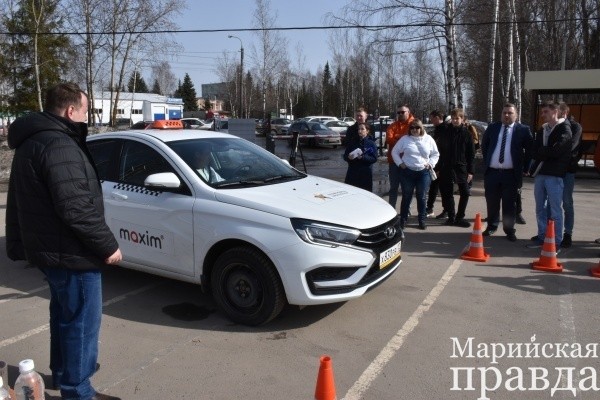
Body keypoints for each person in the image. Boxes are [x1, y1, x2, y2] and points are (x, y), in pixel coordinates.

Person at [5, 82, 122, 400]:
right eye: (85, 110)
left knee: (65, 316)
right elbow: (75, 206)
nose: (86, 117)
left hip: (52, 249)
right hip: (72, 251)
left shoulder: (35, 140)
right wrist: (107, 245)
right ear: (71, 110)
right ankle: (78, 390)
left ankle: (63, 374)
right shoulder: (59, 144)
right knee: (81, 323)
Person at [481, 103, 533, 241]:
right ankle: (492, 226)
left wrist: (526, 168)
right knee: (492, 202)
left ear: (516, 115)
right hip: (492, 173)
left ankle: (509, 230)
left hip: (511, 174)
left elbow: (530, 150)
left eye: (510, 113)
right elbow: (485, 145)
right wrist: (488, 161)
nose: (506, 115)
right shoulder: (493, 127)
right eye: (504, 113)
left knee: (509, 204)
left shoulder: (523, 130)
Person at [528, 101, 572, 248]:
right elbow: (534, 150)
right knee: (540, 208)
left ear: (555, 111)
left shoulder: (565, 128)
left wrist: (543, 151)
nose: (543, 115)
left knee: (555, 210)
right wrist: (546, 151)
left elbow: (558, 151)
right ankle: (542, 236)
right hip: (540, 173)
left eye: (546, 111)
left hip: (555, 174)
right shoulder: (543, 129)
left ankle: (556, 241)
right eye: (542, 112)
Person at [392, 119, 439, 230]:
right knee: (406, 196)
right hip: (407, 172)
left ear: (421, 128)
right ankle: (403, 219)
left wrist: (431, 163)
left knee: (421, 197)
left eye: (417, 127)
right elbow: (394, 152)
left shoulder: (428, 139)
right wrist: (400, 163)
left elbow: (435, 154)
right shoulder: (405, 139)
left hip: (423, 172)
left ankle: (422, 220)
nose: (414, 130)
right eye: (412, 128)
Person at [436, 107, 475, 228]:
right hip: (446, 166)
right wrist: (438, 168)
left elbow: (471, 154)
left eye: (457, 118)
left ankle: (460, 217)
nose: (455, 121)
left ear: (462, 119)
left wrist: (471, 171)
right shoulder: (446, 132)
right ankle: (451, 217)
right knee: (447, 193)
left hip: (461, 167)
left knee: (465, 192)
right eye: (453, 118)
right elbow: (440, 151)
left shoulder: (467, 134)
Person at [558, 102, 583, 248]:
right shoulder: (552, 126)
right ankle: (550, 232)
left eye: (557, 111)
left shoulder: (575, 127)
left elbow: (571, 146)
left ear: (564, 112)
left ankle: (568, 233)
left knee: (567, 202)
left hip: (568, 170)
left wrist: (554, 153)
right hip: (552, 171)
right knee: (551, 204)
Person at [385, 104, 414, 209]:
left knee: (408, 188)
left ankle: (406, 209)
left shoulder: (414, 125)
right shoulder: (392, 125)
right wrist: (404, 139)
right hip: (394, 162)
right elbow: (389, 139)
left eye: (402, 112)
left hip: (409, 162)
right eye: (398, 112)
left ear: (408, 112)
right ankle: (392, 208)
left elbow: (413, 139)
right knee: (393, 188)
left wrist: (397, 136)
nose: (400, 114)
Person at [426, 110, 448, 218]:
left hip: (442, 163)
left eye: (432, 118)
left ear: (437, 117)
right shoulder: (438, 129)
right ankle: (429, 208)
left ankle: (446, 210)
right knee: (434, 187)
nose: (431, 121)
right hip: (437, 162)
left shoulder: (444, 129)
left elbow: (442, 149)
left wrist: (439, 167)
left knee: (443, 189)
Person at [343, 122, 378, 191]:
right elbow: (345, 156)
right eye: (359, 129)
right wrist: (348, 157)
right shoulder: (352, 142)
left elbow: (374, 158)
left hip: (365, 174)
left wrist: (363, 157)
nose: (360, 131)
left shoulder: (371, 143)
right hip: (352, 173)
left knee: (365, 193)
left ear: (367, 131)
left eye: (362, 129)